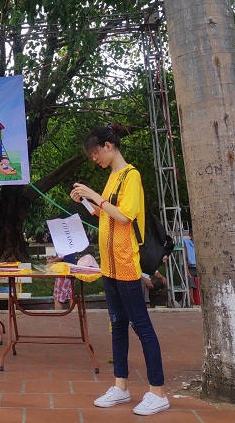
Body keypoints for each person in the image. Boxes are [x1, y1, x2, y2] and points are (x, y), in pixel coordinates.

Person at [70, 123, 170, 416]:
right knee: (117, 324)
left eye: (95, 154)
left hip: (126, 262)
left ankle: (158, 391)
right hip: (109, 265)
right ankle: (120, 386)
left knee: (141, 326)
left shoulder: (131, 175)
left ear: (108, 146)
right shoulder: (113, 177)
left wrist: (94, 194)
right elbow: (106, 213)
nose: (95, 159)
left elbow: (125, 217)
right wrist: (87, 202)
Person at [183, 228, 198, 305]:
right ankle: (191, 300)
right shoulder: (186, 242)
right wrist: (187, 271)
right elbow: (184, 258)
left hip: (199, 267)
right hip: (190, 267)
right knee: (189, 278)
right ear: (190, 235)